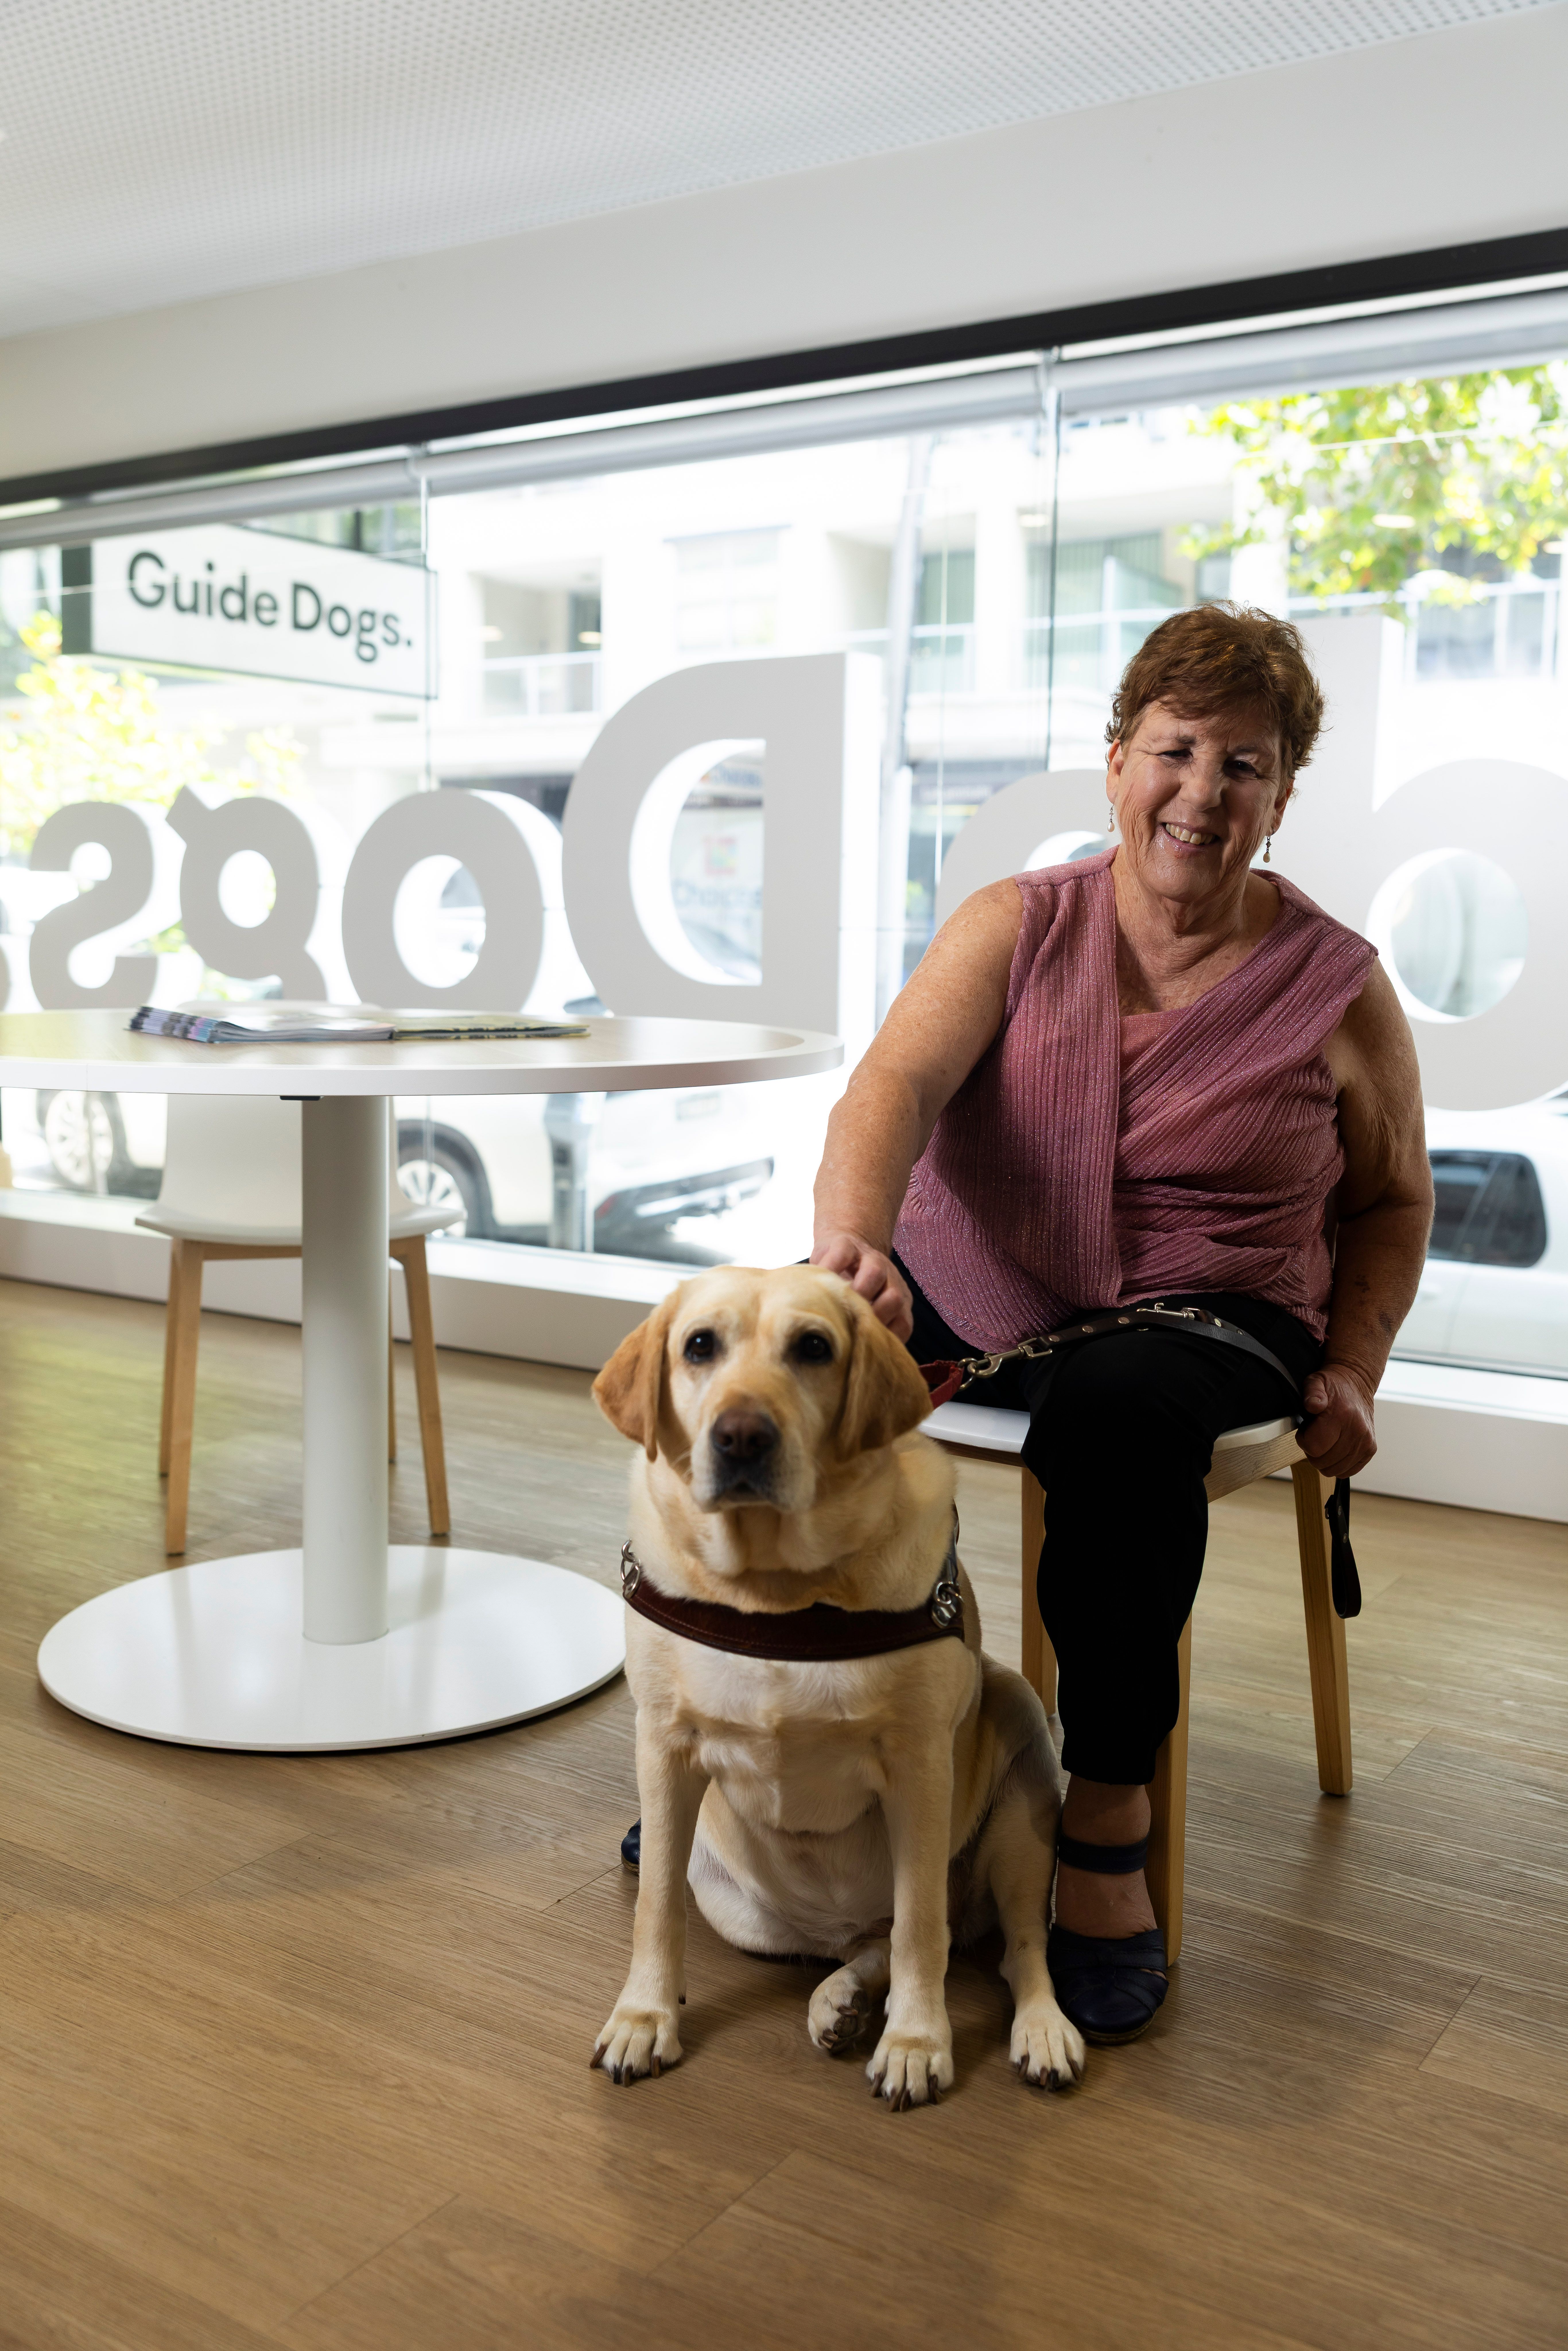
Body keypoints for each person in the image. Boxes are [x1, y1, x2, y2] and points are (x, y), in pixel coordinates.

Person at [810, 602, 1434, 2046]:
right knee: (790, 1371)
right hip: (990, 1278)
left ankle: (1103, 1822)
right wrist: (854, 1241)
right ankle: (785, 1758)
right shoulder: (1017, 926)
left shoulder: (1337, 985)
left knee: (1112, 1418)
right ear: (1114, 763)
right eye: (1176, 749)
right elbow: (890, 1088)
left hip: (1213, 1311)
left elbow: (1392, 1200)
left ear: (1281, 798)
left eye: (1246, 764)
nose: (1203, 792)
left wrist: (1352, 1363)